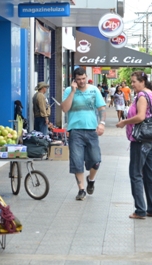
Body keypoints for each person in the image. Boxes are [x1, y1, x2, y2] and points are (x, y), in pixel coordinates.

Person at [116, 71, 152, 219]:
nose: (132, 84)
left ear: (142, 82)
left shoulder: (142, 96)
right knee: (149, 174)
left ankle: (140, 210)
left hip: (141, 140)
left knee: (135, 174)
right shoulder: (151, 94)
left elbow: (141, 117)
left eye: (134, 81)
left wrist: (124, 122)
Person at [61, 67, 106, 201]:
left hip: (92, 130)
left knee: (96, 160)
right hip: (75, 130)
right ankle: (81, 190)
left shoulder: (94, 90)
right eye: (78, 79)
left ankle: (91, 180)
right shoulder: (69, 91)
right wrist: (73, 92)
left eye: (83, 78)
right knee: (77, 160)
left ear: (86, 77)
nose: (81, 81)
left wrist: (102, 123)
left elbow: (101, 108)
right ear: (74, 79)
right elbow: (64, 108)